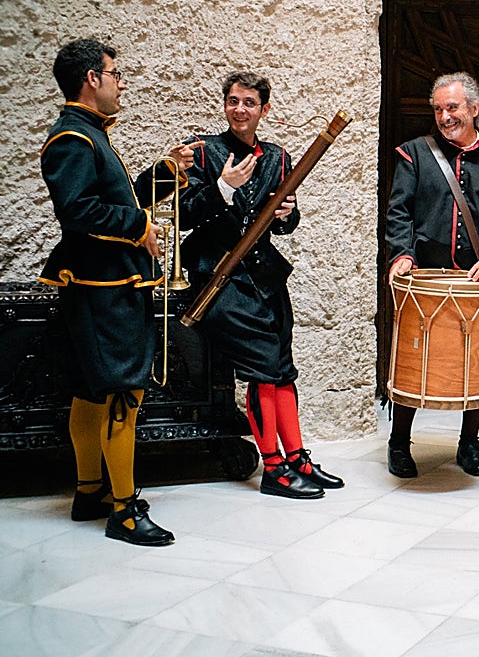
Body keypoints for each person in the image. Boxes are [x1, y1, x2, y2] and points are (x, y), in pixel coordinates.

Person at [39, 38, 197, 546]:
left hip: (101, 288)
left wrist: (166, 173)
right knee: (122, 394)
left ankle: (90, 492)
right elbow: (80, 212)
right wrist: (139, 227)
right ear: (92, 79)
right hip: (105, 292)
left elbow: (114, 200)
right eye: (114, 72)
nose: (120, 81)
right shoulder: (73, 139)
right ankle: (124, 511)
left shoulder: (89, 135)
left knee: (90, 394)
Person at [179, 71, 343, 499]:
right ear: (225, 105)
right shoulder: (202, 152)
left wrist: (288, 214)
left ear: (263, 109)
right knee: (264, 369)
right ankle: (273, 468)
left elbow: (286, 225)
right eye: (233, 101)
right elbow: (185, 215)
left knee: (283, 369)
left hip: (265, 276)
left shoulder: (277, 157)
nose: (239, 109)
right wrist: (222, 187)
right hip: (218, 276)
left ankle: (297, 458)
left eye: (249, 102)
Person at [384, 72, 479, 477]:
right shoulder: (414, 153)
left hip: (476, 282)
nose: (445, 117)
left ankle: (469, 444)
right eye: (439, 109)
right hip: (423, 279)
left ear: (474, 109)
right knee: (414, 360)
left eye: (453, 108)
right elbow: (399, 211)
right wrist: (402, 254)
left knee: (475, 363)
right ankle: (399, 443)